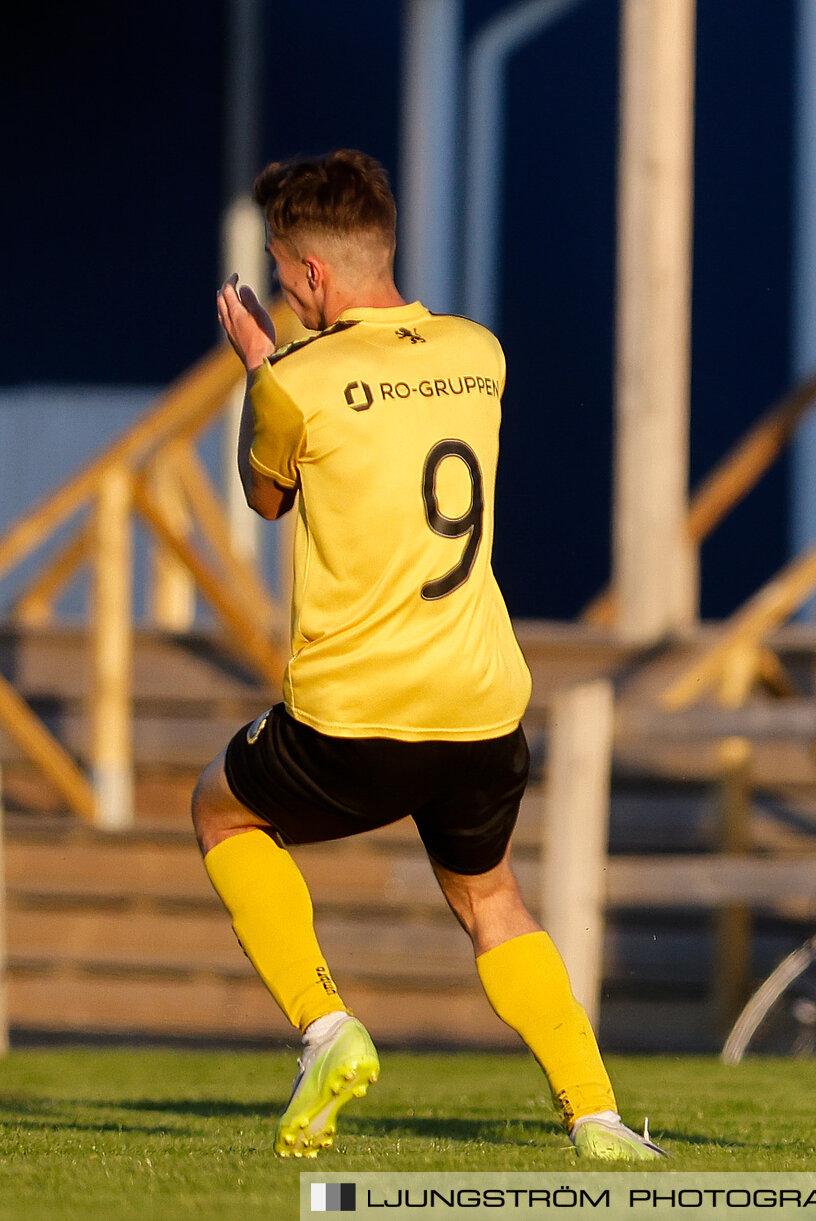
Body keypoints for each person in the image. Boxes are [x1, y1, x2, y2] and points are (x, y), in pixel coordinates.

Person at [197, 150, 665, 1160]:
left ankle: (327, 1027)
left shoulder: (296, 381)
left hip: (354, 715)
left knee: (218, 808)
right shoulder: (478, 353)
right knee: (494, 901)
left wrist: (258, 364)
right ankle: (598, 1117)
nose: (282, 288)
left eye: (284, 271)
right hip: (482, 703)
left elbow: (266, 497)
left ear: (312, 277)